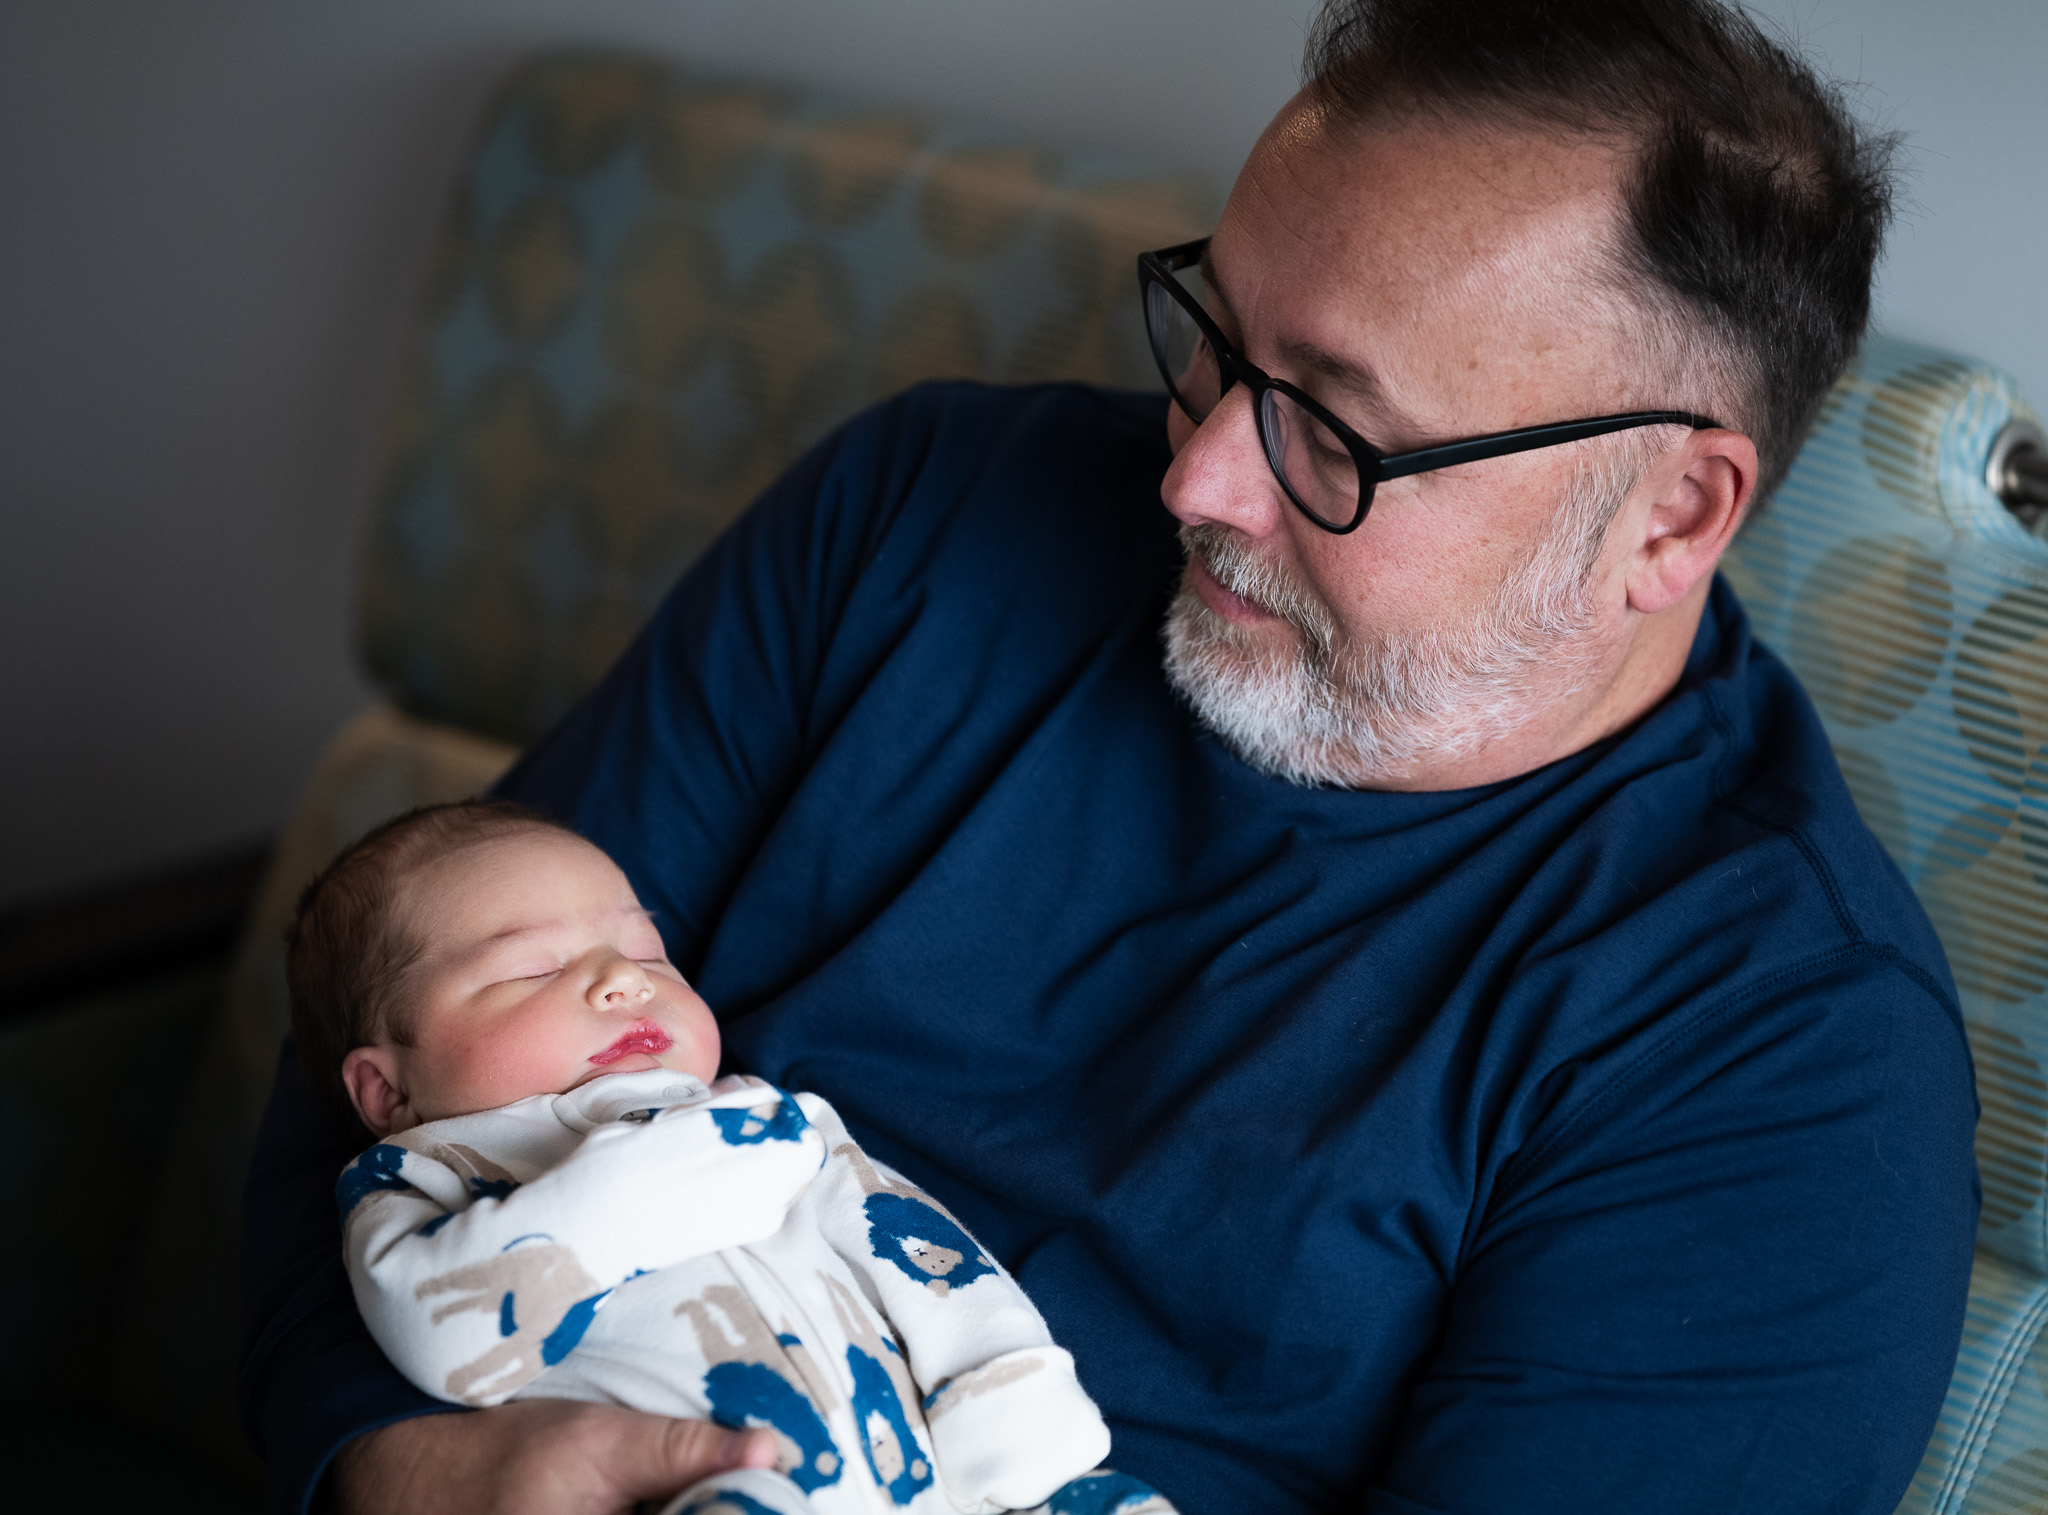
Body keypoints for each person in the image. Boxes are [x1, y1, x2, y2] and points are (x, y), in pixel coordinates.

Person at [238, 1, 1980, 1512]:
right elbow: (387, 1043)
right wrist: (417, 1472)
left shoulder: (1781, 1063)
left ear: (1668, 515)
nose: (1195, 481)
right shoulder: (919, 518)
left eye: (1330, 425)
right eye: (1211, 341)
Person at [292, 799, 1174, 1515]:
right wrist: (643, 1186)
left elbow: (924, 1257)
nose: (624, 977)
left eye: (646, 950)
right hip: (725, 1483)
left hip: (930, 1473)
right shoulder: (418, 1181)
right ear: (389, 1092)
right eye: (531, 968)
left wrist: (1016, 1412)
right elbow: (441, 1334)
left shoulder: (774, 1125)